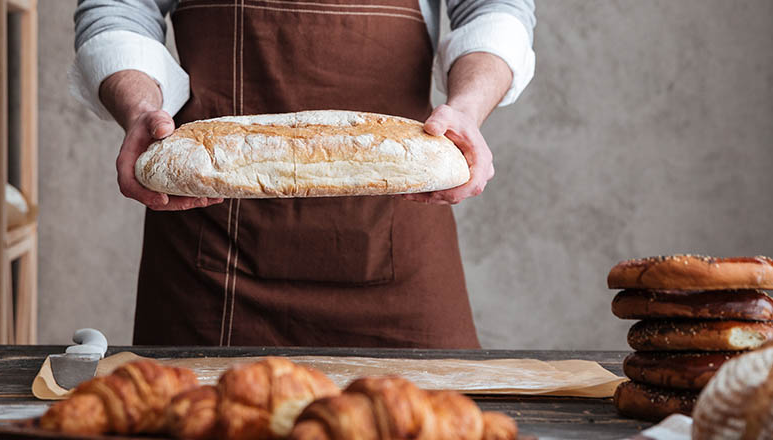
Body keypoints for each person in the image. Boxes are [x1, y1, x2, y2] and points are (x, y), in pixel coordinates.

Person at [71, 0, 536, 348]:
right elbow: (119, 9)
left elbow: (495, 7)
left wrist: (468, 109)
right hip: (210, 258)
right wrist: (141, 110)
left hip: (400, 244)